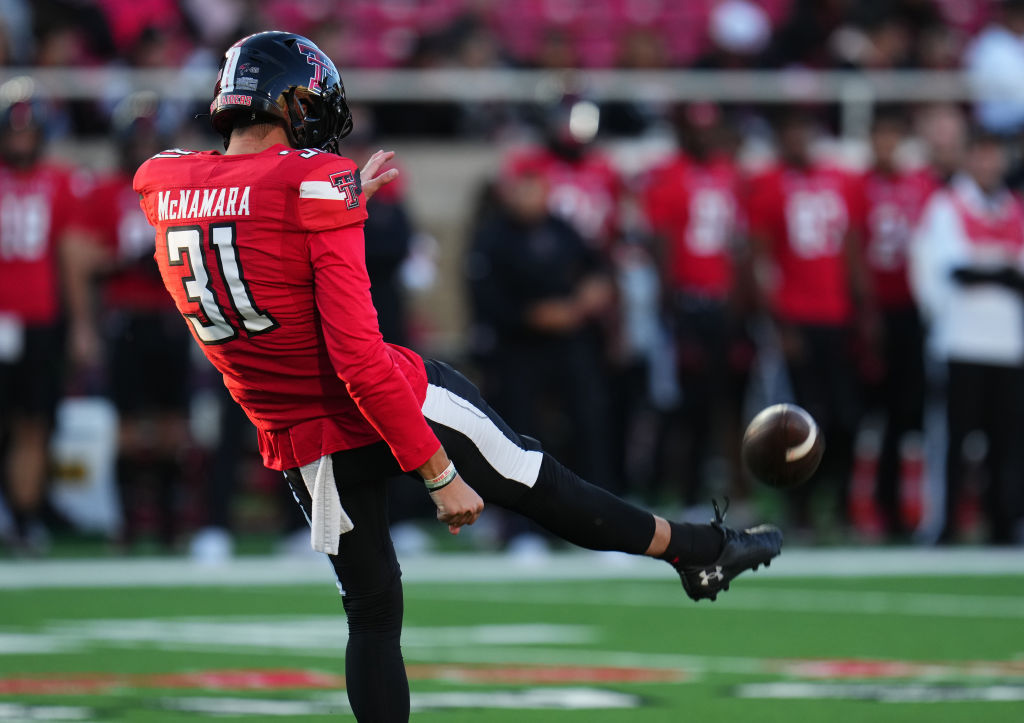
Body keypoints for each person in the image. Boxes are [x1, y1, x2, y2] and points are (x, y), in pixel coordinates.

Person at [132, 32, 782, 723]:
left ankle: (695, 552)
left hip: (296, 432)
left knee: (373, 612)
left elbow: (239, 197)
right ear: (285, 101)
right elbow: (358, 359)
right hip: (386, 400)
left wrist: (343, 194)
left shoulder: (162, 182)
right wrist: (438, 473)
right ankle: (696, 552)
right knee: (540, 481)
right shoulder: (313, 186)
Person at [64, 92, 195, 550]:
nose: (141, 146)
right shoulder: (104, 191)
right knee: (125, 425)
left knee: (173, 426)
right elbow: (79, 255)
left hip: (171, 315)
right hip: (127, 317)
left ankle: (168, 525)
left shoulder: (181, 190)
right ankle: (127, 525)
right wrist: (123, 260)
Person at [746, 109, 873, 535]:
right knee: (797, 421)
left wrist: (864, 309)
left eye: (805, 129)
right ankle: (797, 508)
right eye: (791, 130)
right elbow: (761, 260)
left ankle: (835, 503)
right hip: (796, 318)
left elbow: (852, 248)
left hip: (836, 317)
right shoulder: (768, 184)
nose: (799, 138)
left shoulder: (842, 181)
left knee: (846, 416)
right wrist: (779, 326)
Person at [910, 130, 1024, 545]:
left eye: (995, 158)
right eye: (981, 156)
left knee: (1006, 443)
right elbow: (948, 269)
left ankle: (1003, 524)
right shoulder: (946, 206)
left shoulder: (1013, 208)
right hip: (959, 341)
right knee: (952, 441)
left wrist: (985, 269)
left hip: (1008, 345)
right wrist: (1001, 270)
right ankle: (943, 525)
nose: (989, 166)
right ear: (969, 160)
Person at [641, 103, 750, 509]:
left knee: (721, 402)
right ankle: (678, 488)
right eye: (696, 129)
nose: (703, 136)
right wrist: (669, 302)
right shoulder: (670, 175)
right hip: (686, 303)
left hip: (722, 304)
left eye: (709, 129)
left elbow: (739, 242)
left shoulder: (729, 174)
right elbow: (663, 240)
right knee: (679, 403)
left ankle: (710, 487)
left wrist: (740, 301)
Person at [0, 82, 86, 553]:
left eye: (28, 132)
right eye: (14, 133)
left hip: (38, 320)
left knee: (34, 424)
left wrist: (80, 326)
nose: (21, 141)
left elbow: (69, 259)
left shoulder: (58, 181)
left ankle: (24, 519)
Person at [859, 110, 937, 537]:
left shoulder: (921, 185)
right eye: (880, 138)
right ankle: (874, 505)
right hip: (874, 309)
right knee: (873, 411)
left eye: (893, 137)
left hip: (912, 308)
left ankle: (899, 507)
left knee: (908, 410)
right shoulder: (858, 186)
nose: (886, 146)